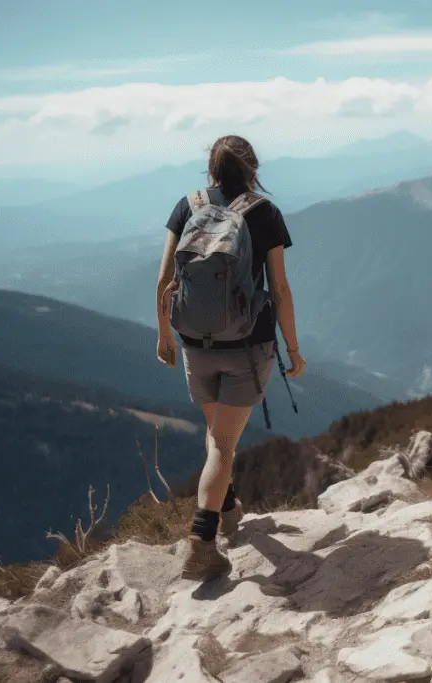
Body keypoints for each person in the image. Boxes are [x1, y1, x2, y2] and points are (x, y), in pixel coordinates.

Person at [154, 134, 306, 582]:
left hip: (195, 343)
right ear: (252, 168)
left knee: (216, 433)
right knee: (223, 444)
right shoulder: (263, 213)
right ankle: (202, 544)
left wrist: (164, 334)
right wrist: (293, 350)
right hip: (247, 344)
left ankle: (229, 506)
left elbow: (164, 277)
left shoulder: (187, 206)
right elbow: (279, 290)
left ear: (211, 168)